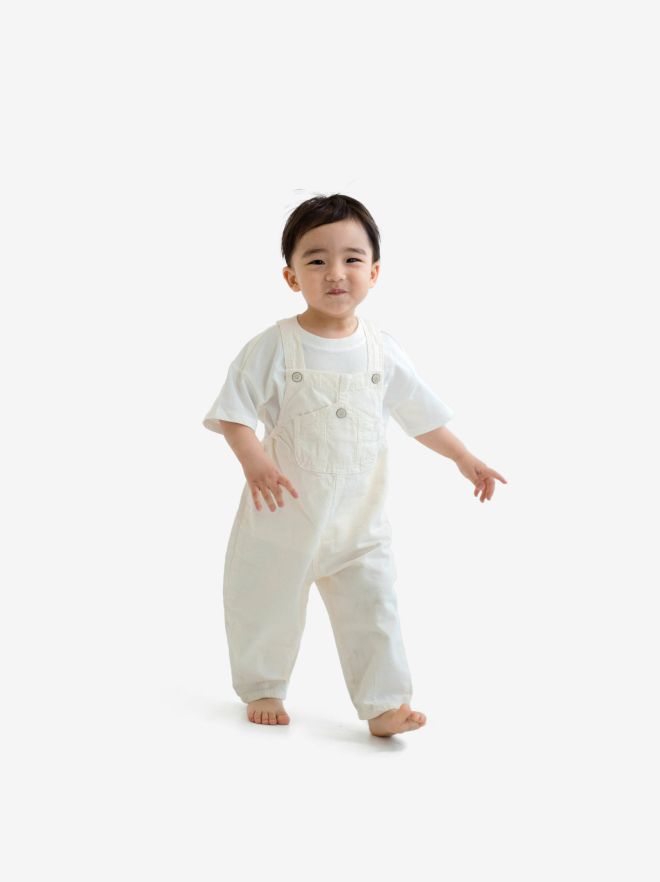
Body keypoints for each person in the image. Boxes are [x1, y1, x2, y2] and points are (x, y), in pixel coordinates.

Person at [202, 193, 507, 737]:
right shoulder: (274, 346)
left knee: (375, 608)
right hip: (283, 518)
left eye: (351, 259)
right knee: (265, 602)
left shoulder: (381, 350)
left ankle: (385, 704)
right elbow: (234, 413)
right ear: (291, 276)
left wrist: (464, 457)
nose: (335, 273)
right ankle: (264, 684)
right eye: (316, 260)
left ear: (375, 272)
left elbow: (420, 415)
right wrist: (254, 462)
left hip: (360, 524)